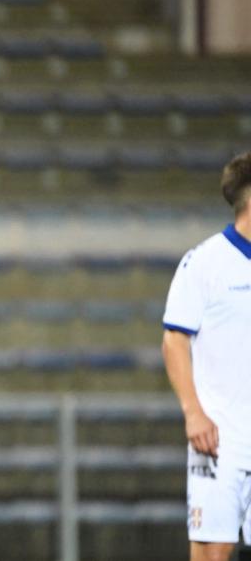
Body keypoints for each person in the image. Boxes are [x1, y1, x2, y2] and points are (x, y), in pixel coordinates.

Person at [163, 151, 251, 561]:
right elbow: (174, 340)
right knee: (213, 553)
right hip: (221, 442)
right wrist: (193, 412)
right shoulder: (204, 263)